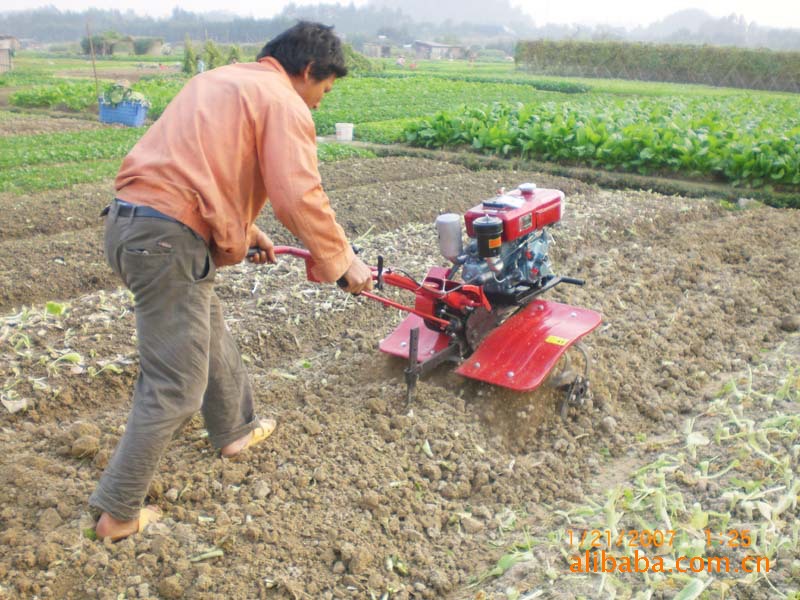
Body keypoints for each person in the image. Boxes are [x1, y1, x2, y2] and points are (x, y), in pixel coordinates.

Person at [91, 21, 373, 541]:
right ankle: (118, 513)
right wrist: (342, 259)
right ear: (308, 71)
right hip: (166, 238)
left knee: (205, 323)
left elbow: (199, 168)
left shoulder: (222, 81)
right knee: (175, 383)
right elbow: (298, 195)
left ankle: (235, 432)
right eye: (324, 91)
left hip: (133, 222)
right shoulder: (283, 101)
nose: (318, 105)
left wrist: (247, 228)